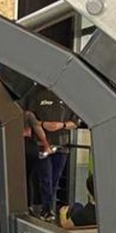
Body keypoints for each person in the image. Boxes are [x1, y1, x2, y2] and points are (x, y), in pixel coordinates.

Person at [27, 85, 79, 219]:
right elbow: (29, 116)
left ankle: (47, 208)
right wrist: (43, 124)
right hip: (41, 144)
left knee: (55, 179)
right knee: (46, 177)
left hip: (62, 145)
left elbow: (76, 121)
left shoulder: (67, 95)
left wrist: (61, 125)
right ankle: (47, 209)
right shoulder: (37, 94)